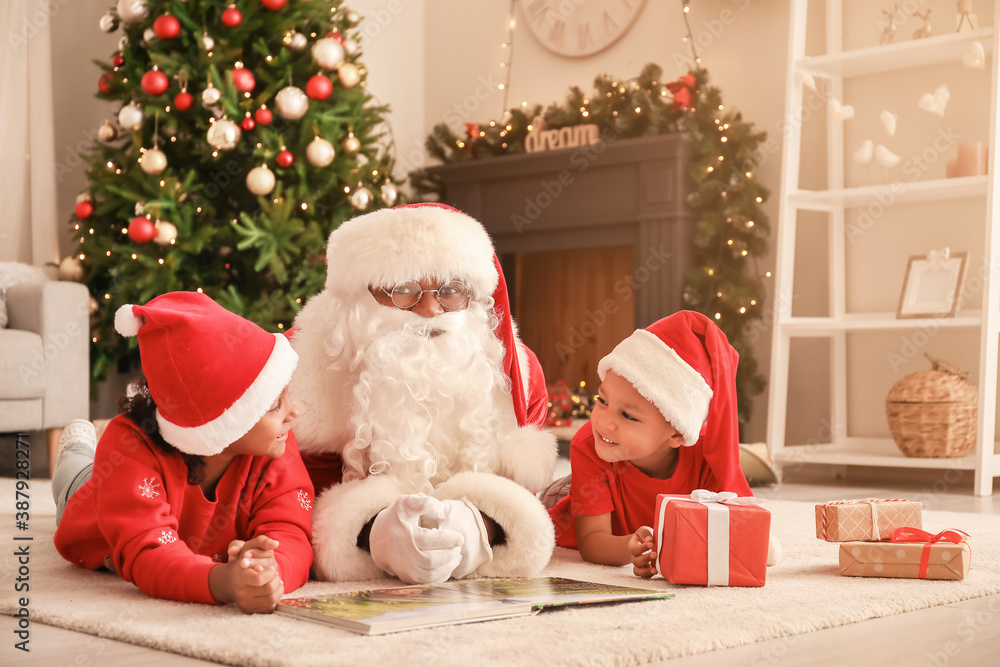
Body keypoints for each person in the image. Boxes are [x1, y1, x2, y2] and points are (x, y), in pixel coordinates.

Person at [288, 202, 558, 584]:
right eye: (403, 291)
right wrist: (372, 532)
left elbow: (520, 490)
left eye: (450, 290)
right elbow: (291, 501)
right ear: (361, 300)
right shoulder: (307, 370)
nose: (430, 309)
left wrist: (479, 527)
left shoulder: (516, 373)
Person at [52, 292, 314, 613]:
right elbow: (149, 555)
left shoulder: (275, 444)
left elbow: (292, 530)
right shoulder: (129, 445)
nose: (294, 413)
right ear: (224, 421)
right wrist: (223, 581)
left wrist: (270, 569)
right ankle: (79, 445)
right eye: (275, 405)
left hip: (124, 486)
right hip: (95, 502)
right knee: (75, 476)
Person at [547, 310, 761, 577]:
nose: (605, 422)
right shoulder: (590, 445)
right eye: (602, 401)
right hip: (568, 492)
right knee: (535, 509)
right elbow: (591, 540)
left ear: (676, 435)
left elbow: (731, 528)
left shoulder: (707, 455)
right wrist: (629, 548)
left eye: (628, 415)